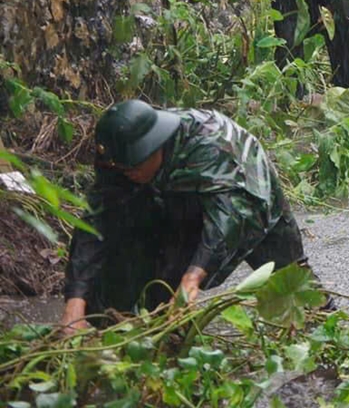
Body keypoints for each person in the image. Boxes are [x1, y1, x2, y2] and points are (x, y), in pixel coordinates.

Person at [60, 100, 319, 330]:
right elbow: (96, 221)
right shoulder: (121, 155)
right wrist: (75, 299)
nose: (126, 173)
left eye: (132, 166)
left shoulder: (211, 148)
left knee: (293, 283)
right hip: (176, 202)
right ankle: (157, 335)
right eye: (119, 168)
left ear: (155, 147)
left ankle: (324, 327)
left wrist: (194, 276)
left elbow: (227, 220)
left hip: (249, 199)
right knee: (157, 286)